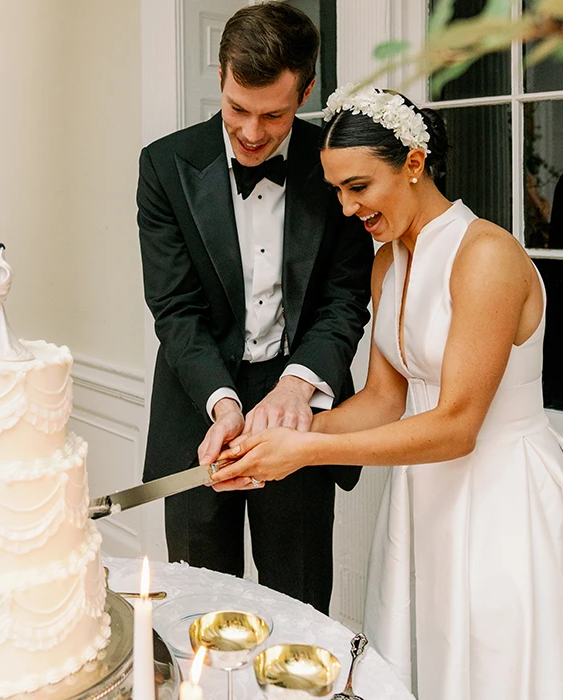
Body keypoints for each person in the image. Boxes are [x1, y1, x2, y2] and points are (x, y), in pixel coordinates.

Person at [211, 85, 563, 699]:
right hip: (422, 494)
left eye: (359, 187)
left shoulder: (486, 256)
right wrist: (276, 434)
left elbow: (457, 424)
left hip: (499, 495)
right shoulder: (388, 263)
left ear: (415, 164)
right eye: (337, 191)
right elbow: (382, 399)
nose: (347, 209)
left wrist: (304, 455)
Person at [137, 3, 373, 614]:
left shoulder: (335, 167)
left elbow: (345, 299)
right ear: (221, 76)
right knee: (199, 612)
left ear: (307, 90)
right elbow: (174, 308)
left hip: (300, 405)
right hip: (199, 405)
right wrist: (221, 401)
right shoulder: (165, 165)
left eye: (274, 114)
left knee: (297, 604)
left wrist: (298, 387)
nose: (250, 132)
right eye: (238, 108)